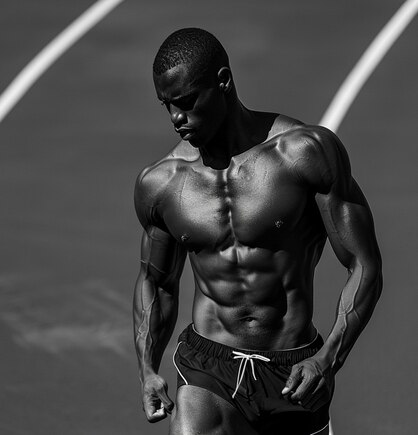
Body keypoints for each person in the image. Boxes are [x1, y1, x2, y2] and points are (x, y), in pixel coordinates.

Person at [132, 28, 383, 435]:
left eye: (186, 101)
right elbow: (157, 284)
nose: (177, 118)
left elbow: (364, 264)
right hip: (208, 367)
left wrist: (328, 359)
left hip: (293, 370)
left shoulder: (304, 154)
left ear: (224, 81)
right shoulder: (161, 185)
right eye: (167, 106)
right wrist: (146, 369)